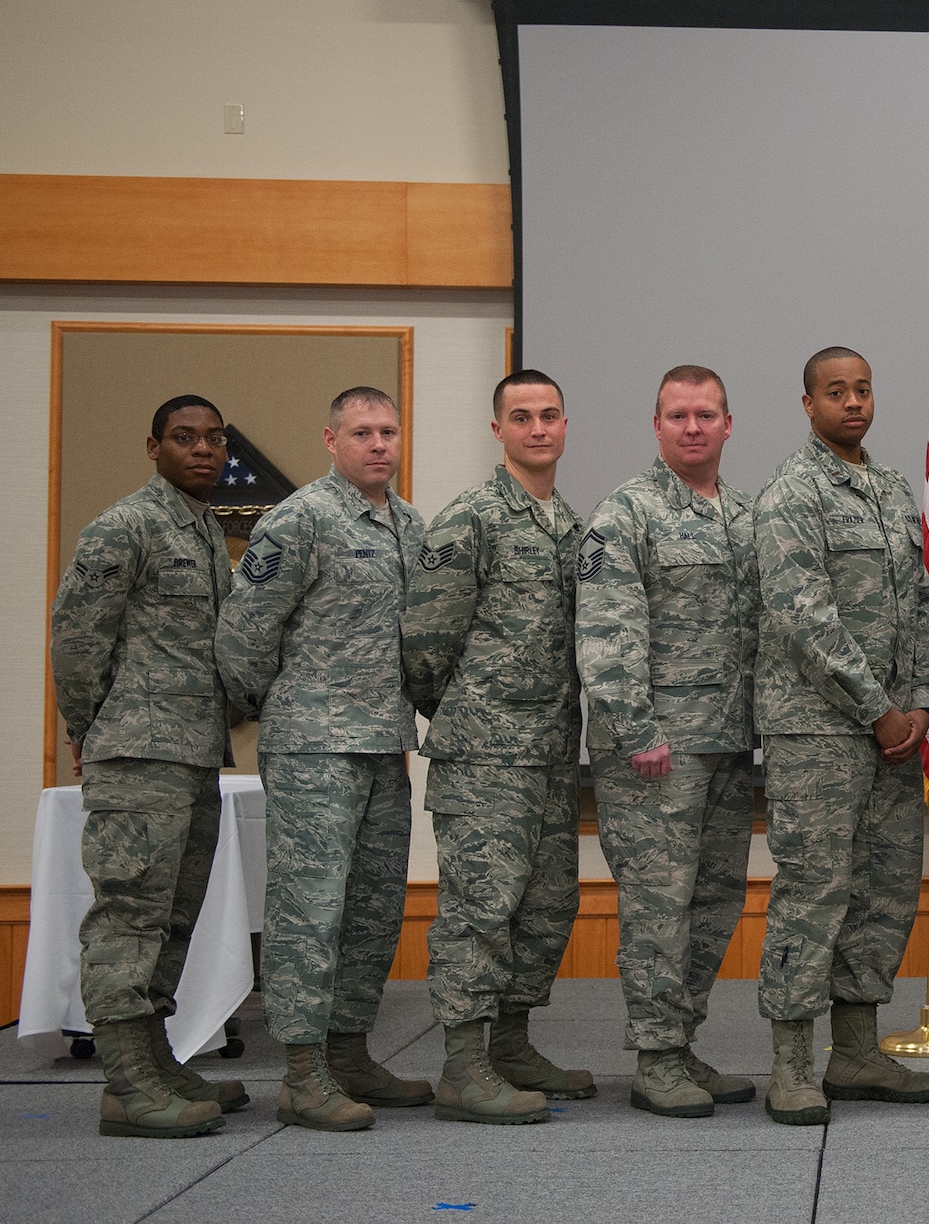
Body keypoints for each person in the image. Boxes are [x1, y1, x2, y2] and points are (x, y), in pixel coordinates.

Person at [216, 385, 431, 1132]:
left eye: (389, 431)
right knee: (308, 911)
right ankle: (303, 1072)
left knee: (372, 909)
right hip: (313, 744)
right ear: (330, 440)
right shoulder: (299, 518)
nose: (379, 444)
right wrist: (286, 706)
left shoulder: (408, 524)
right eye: (363, 432)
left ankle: (350, 1050)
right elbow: (243, 634)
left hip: (382, 744)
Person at [752, 346, 929, 1126]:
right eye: (835, 392)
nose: (853, 403)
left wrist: (925, 707)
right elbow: (804, 617)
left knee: (882, 893)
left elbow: (927, 607)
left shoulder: (896, 491)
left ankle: (860, 1051)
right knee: (814, 893)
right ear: (808, 404)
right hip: (821, 733)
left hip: (896, 735)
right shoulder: (791, 494)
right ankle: (794, 1064)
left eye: (863, 389)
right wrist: (878, 710)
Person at [403, 370, 594, 1126]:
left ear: (565, 424)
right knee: (480, 909)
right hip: (484, 755)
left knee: (546, 906)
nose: (538, 428)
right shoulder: (470, 520)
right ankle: (463, 1065)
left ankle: (511, 1045)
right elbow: (425, 645)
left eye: (549, 414)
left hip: (550, 752)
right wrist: (469, 715)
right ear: (498, 430)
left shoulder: (572, 526)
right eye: (522, 417)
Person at [51, 395, 244, 1138]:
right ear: (152, 446)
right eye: (183, 437)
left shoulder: (203, 530)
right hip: (137, 752)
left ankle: (155, 1059)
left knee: (173, 916)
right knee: (129, 915)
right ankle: (127, 1081)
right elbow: (76, 638)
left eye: (213, 438)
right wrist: (87, 726)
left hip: (192, 753)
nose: (202, 449)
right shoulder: (125, 526)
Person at [574, 366, 760, 1119]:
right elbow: (608, 631)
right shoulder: (627, 513)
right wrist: (636, 729)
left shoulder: (747, 517)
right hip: (656, 753)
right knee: (659, 907)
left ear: (727, 424)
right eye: (678, 415)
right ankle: (654, 1057)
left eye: (706, 414)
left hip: (727, 744)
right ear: (656, 426)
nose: (693, 426)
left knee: (714, 903)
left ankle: (681, 1044)